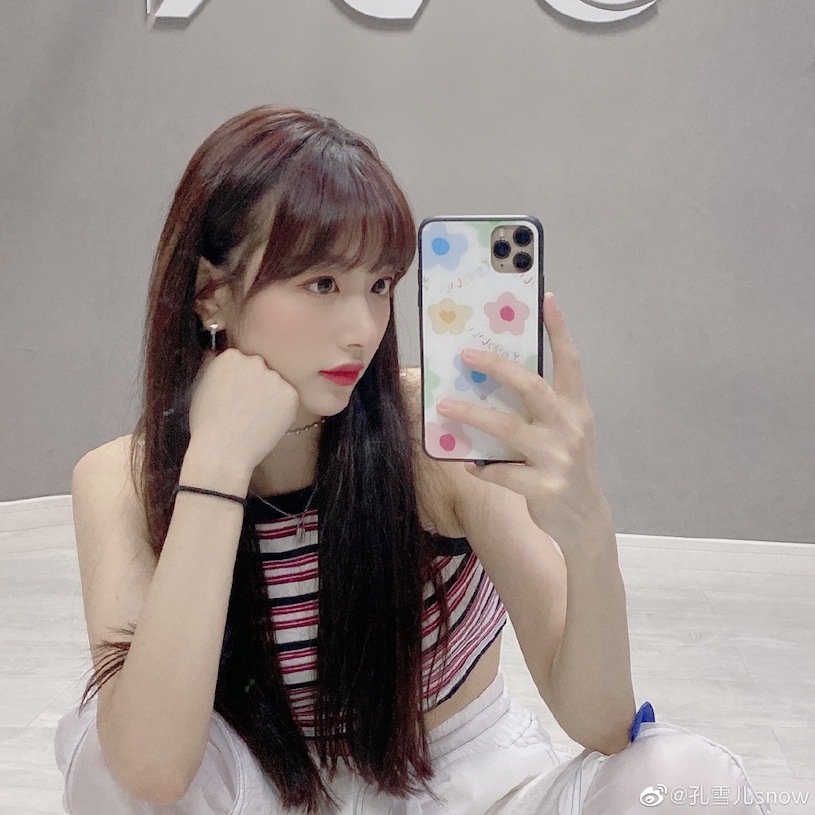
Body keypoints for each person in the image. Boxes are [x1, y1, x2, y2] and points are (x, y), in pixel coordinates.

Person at [54, 106, 771, 815]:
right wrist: (217, 464)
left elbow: (602, 723)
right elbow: (150, 773)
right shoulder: (121, 479)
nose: (363, 329)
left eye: (379, 285)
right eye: (323, 284)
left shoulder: (434, 435)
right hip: (267, 792)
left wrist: (586, 527)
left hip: (459, 786)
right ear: (211, 294)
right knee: (107, 751)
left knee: (683, 782)